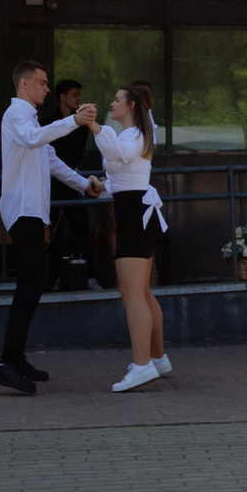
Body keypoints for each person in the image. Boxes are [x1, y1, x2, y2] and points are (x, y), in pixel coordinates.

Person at [0, 60, 97, 395]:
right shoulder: (17, 116)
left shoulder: (29, 119)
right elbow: (35, 140)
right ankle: (7, 361)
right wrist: (73, 120)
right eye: (42, 83)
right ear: (24, 84)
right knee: (30, 283)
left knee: (33, 284)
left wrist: (84, 184)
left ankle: (15, 358)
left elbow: (50, 159)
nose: (47, 89)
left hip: (31, 212)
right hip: (23, 212)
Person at [96, 81, 171, 393]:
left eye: (116, 100)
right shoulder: (133, 134)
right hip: (135, 211)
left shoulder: (134, 133)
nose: (111, 104)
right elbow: (125, 173)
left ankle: (142, 365)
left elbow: (119, 153)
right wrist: (101, 186)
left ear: (130, 106)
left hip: (134, 217)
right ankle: (157, 358)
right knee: (143, 292)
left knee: (133, 296)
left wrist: (94, 128)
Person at [50, 78, 105, 291]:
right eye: (75, 95)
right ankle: (53, 277)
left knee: (81, 229)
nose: (78, 99)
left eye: (79, 95)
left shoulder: (82, 126)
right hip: (54, 181)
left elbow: (76, 154)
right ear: (63, 97)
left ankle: (89, 276)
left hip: (73, 179)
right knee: (53, 231)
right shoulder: (48, 122)